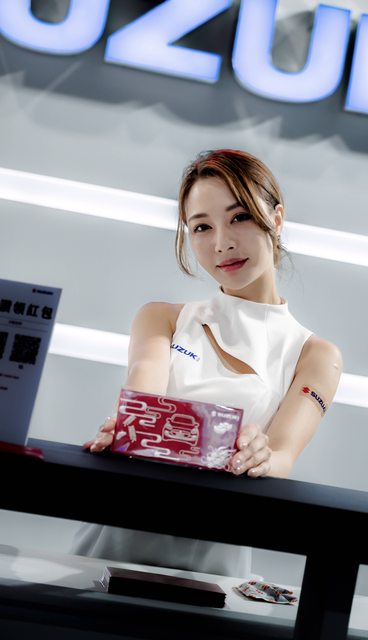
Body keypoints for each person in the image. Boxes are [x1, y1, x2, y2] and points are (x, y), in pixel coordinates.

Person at [70, 149, 342, 576]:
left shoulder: (317, 356)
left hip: (214, 564)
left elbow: (282, 456)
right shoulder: (162, 320)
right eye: (202, 226)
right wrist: (125, 428)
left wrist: (260, 457)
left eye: (239, 217)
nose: (222, 243)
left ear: (276, 218)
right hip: (117, 544)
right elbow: (144, 402)